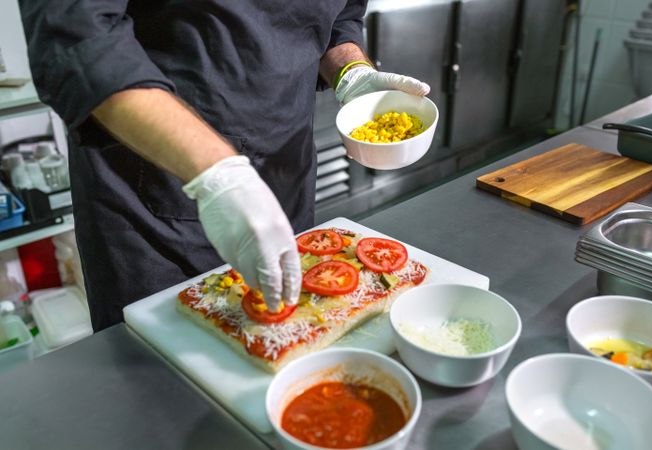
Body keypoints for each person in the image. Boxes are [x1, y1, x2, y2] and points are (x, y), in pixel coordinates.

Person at [20, 1, 430, 331]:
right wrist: (219, 174)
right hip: (153, 192)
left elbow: (338, 14)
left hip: (284, 167)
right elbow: (78, 38)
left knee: (287, 337)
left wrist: (351, 70)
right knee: (160, 386)